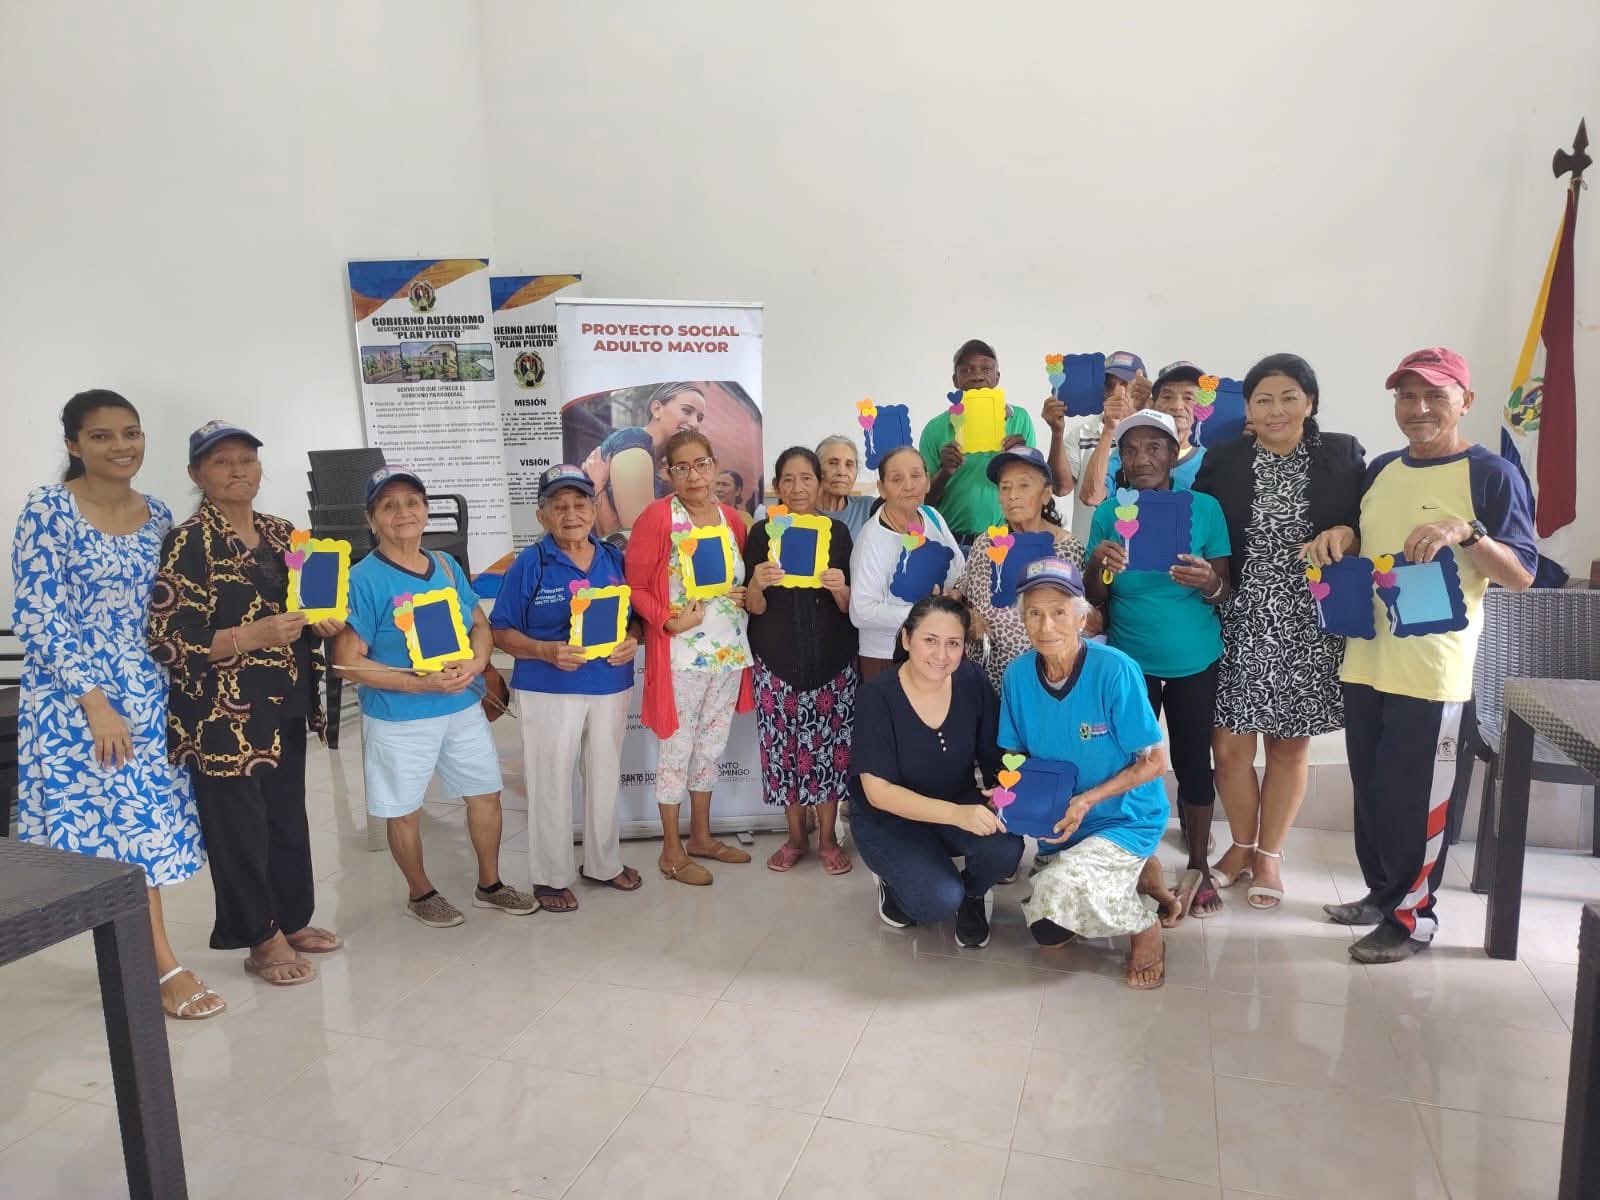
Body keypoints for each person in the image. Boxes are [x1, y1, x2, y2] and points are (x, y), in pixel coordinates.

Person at [1314, 347, 1535, 963]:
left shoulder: (1491, 475)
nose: (1419, 408)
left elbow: (1522, 575)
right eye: (1407, 396)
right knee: (1373, 791)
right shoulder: (1382, 469)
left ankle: (1413, 920)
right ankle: (1383, 895)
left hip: (1433, 673)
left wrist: (1469, 531)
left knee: (1416, 800)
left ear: (1465, 401)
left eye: (1436, 395)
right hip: (1365, 657)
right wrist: (1343, 535)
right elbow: (1371, 537)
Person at [13, 392, 219, 1020]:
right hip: (78, 699)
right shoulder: (48, 509)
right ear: (73, 444)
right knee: (125, 830)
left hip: (149, 691)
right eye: (101, 436)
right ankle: (163, 968)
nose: (121, 446)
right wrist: (95, 703)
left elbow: (171, 605)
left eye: (131, 432)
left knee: (144, 826)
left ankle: (134, 954)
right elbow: (39, 616)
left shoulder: (157, 515)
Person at [150, 420, 343, 988]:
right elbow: (167, 640)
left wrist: (325, 620)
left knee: (286, 815)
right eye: (221, 462)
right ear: (196, 474)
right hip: (221, 715)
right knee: (239, 828)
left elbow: (313, 605)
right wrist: (249, 636)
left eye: (247, 459)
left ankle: (292, 918)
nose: (238, 470)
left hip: (285, 699)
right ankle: (260, 936)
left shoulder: (284, 533)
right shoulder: (189, 542)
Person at [1195, 354, 1366, 910]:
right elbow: (1201, 525)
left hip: (1308, 619)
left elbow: (1368, 524)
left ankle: (1269, 854)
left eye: (1289, 397)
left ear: (1310, 402)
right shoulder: (1223, 459)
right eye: (1263, 399)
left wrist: (1347, 533)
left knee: (1289, 745)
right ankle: (1241, 846)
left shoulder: (1342, 454)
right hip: (1238, 616)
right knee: (1229, 746)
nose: (1276, 410)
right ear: (1248, 408)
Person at [333, 466, 537, 927]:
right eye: (389, 505)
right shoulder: (362, 580)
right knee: (403, 809)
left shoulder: (444, 565)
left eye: (412, 502)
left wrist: (476, 662)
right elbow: (347, 661)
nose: (403, 512)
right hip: (399, 715)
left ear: (426, 511)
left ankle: (490, 885)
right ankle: (420, 893)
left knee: (484, 794)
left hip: (461, 706)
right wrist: (417, 684)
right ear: (371, 519)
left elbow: (479, 624)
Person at [1086, 409, 1232, 917]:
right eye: (1130, 450)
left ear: (1174, 454)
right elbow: (1094, 596)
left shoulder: (1204, 509)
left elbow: (1224, 590)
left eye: (1153, 448)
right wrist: (1099, 564)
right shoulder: (1111, 512)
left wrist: (1207, 582)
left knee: (1193, 760)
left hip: (1194, 657)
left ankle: (1199, 866)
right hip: (1131, 660)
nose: (1141, 459)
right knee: (1132, 763)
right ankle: (1134, 862)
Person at [1000, 558, 1172, 988]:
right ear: (1023, 620)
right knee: (1049, 934)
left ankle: (1144, 925)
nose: (1046, 625)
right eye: (1034, 613)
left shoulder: (1114, 670)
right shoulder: (1018, 675)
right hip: (1062, 825)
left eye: (1059, 612)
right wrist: (1009, 796)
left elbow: (1155, 762)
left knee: (1060, 889)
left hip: (1124, 817)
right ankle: (1141, 873)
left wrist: (1087, 800)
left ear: (1082, 618)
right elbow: (1015, 756)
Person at [489, 465, 643, 912]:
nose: (571, 514)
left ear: (594, 509)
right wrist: (544, 650)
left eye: (579, 504)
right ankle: (551, 877)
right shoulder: (530, 564)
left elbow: (635, 617)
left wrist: (633, 638)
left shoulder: (613, 558)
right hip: (549, 687)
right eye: (559, 507)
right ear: (542, 516)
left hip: (610, 683)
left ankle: (603, 863)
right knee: (550, 779)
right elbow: (501, 630)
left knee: (604, 775)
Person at [848, 594, 1023, 948]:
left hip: (956, 801)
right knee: (937, 900)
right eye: (930, 640)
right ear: (906, 639)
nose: (941, 655)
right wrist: (957, 815)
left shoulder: (971, 681)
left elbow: (995, 756)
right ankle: (894, 883)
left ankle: (973, 895)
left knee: (1006, 846)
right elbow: (878, 793)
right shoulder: (876, 697)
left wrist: (1004, 791)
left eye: (953, 643)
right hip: (889, 819)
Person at [624, 430, 756, 885]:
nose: (694, 475)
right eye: (682, 467)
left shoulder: (731, 519)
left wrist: (743, 594)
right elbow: (636, 586)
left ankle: (701, 837)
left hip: (728, 653)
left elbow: (738, 580)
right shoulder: (658, 518)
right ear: (668, 473)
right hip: (681, 655)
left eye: (701, 464)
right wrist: (667, 620)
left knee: (711, 748)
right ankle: (670, 850)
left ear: (715, 465)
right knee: (676, 751)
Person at [744, 446, 858, 875]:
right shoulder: (762, 533)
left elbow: (850, 607)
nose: (797, 488)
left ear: (819, 483)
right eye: (788, 479)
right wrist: (757, 582)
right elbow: (753, 607)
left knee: (829, 755)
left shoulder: (837, 534)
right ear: (777, 486)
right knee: (784, 754)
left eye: (806, 478)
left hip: (832, 663)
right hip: (776, 665)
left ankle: (827, 839)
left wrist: (839, 586)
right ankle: (795, 838)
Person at [956, 445, 1090, 694]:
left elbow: (1085, 618)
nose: (1012, 495)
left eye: (1024, 485)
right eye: (1005, 487)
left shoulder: (1068, 549)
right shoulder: (986, 542)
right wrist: (969, 616)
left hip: (1045, 680)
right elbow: (960, 595)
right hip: (988, 679)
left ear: (1046, 494)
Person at [918, 339, 1068, 545]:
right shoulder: (935, 428)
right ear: (955, 380)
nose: (977, 375)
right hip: (953, 540)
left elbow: (1035, 487)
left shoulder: (1019, 419)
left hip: (1008, 538)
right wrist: (946, 470)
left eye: (986, 369)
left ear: (997, 377)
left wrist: (1022, 456)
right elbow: (923, 502)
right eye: (966, 370)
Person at [849, 445, 965, 680]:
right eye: (897, 479)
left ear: (928, 481)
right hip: (887, 656)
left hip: (937, 652)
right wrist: (926, 614)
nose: (909, 485)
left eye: (916, 475)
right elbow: (861, 612)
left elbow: (960, 570)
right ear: (882, 488)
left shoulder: (933, 517)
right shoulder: (871, 538)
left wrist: (955, 594)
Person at [1079, 360, 1209, 511]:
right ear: (1153, 405)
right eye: (1167, 397)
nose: (1177, 406)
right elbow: (1091, 496)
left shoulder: (1211, 461)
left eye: (1188, 398)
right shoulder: (1129, 454)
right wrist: (1109, 429)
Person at [582, 382, 708, 535]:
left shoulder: (662, 461)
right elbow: (638, 539)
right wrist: (598, 488)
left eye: (699, 418)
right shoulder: (634, 445)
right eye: (686, 411)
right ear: (657, 409)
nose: (694, 424)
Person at [1063, 351, 1149, 544]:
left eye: (1125, 384)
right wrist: (1109, 429)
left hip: (1140, 549)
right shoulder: (1081, 434)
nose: (1117, 392)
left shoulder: (1158, 439)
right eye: (1109, 385)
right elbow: (1075, 492)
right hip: (1089, 548)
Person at [815, 434, 876, 537]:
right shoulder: (801, 511)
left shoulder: (869, 508)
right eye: (833, 463)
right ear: (816, 468)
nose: (842, 472)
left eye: (849, 464)